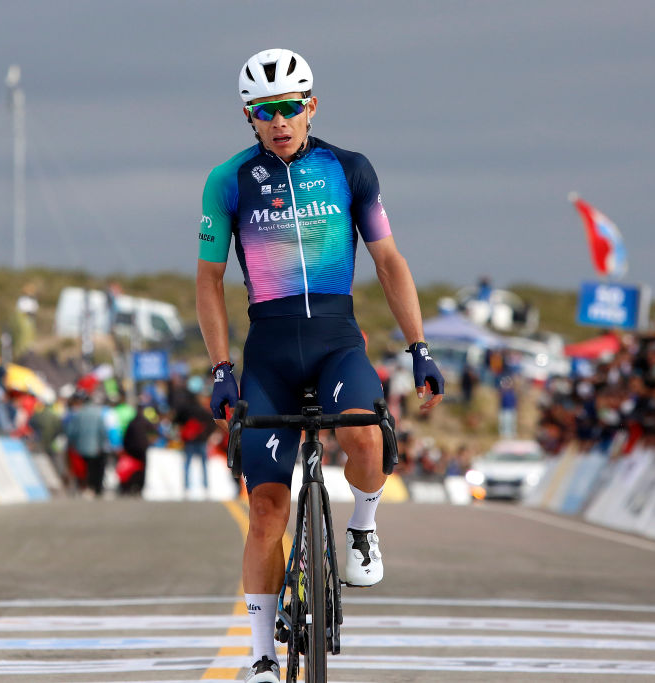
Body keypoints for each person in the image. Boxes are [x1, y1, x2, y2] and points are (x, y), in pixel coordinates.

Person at [196, 48, 445, 682]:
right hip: (270, 353)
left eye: (289, 108)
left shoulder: (349, 169)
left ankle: (362, 526)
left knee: (365, 428)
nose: (278, 121)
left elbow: (389, 263)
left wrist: (420, 348)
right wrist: (221, 366)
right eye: (263, 111)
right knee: (267, 510)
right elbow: (209, 281)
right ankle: (259, 653)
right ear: (248, 117)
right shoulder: (227, 181)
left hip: (338, 340)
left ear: (311, 105)